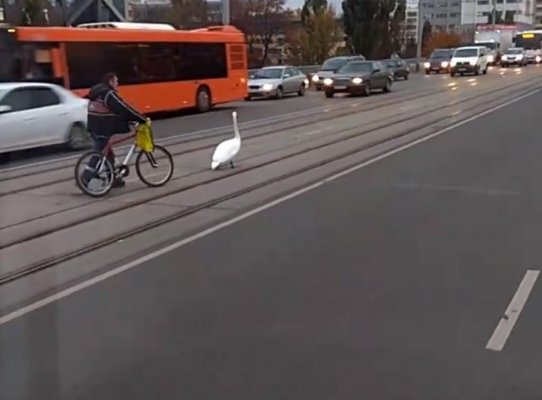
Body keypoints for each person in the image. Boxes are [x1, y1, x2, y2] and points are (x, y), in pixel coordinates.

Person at [81, 72, 147, 188]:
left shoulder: (96, 92)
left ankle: (114, 179)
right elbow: (123, 108)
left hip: (93, 127)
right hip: (102, 128)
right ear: (110, 82)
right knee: (98, 154)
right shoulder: (108, 94)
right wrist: (141, 119)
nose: (117, 84)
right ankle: (85, 179)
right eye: (116, 81)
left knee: (107, 154)